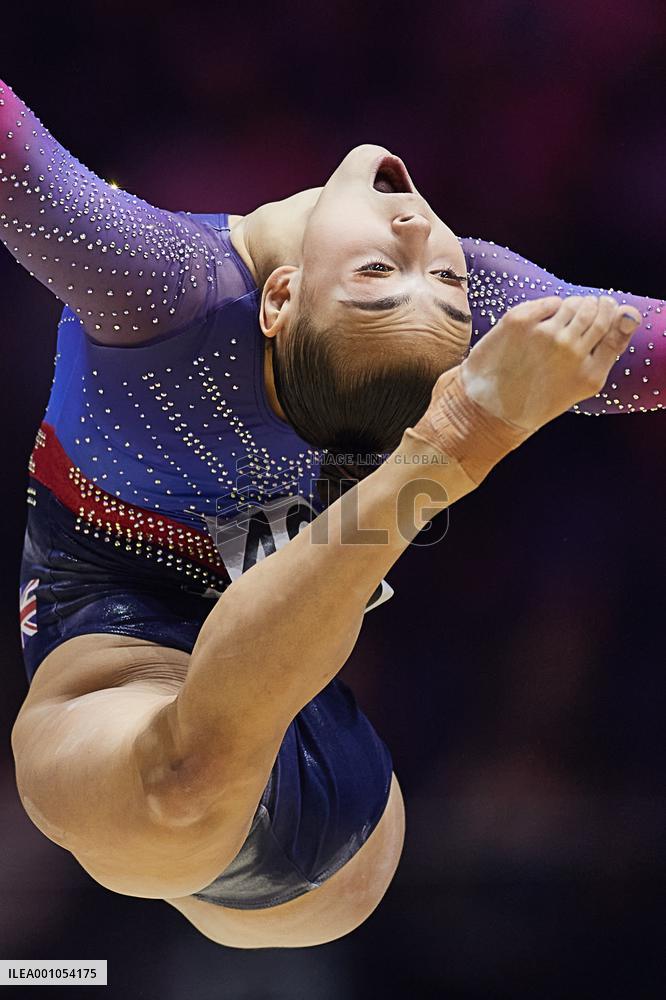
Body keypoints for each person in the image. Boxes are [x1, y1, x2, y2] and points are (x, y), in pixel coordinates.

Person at [2, 78, 662, 949]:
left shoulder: (156, 289)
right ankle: (449, 453)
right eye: (437, 279)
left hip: (228, 772)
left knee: (157, 787)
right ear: (271, 300)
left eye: (388, 275)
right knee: (177, 783)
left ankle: (449, 450)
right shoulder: (162, 287)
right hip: (245, 725)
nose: (423, 236)